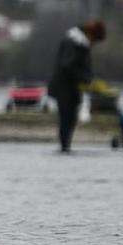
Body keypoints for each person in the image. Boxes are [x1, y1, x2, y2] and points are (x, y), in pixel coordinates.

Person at [47, 20, 105, 152]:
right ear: (91, 34)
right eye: (95, 40)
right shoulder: (74, 43)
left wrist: (89, 78)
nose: (94, 44)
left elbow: (80, 66)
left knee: (70, 119)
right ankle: (64, 147)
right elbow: (68, 65)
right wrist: (88, 79)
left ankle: (65, 146)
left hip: (71, 88)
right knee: (66, 119)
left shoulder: (79, 43)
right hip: (64, 87)